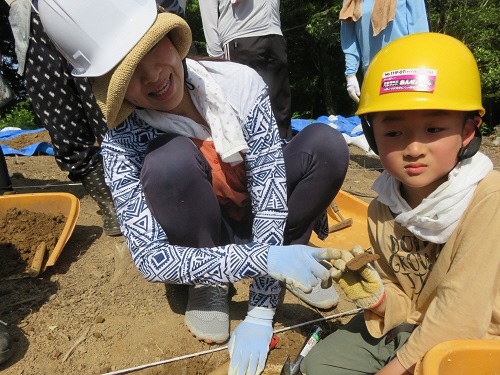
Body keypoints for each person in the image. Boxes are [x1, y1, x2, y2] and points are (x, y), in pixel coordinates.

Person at [38, 1, 350, 374]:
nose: (152, 75)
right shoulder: (121, 143)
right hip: (206, 233)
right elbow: (151, 259)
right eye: (127, 74)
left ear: (172, 37)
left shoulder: (239, 84)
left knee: (326, 145)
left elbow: (270, 194)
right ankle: (209, 280)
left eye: (153, 49)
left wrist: (262, 309)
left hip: (263, 220)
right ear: (113, 91)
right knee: (168, 162)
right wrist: (264, 259)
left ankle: (294, 254)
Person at [301, 32, 500, 374]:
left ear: (468, 131)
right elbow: (402, 292)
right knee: (319, 366)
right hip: (413, 325)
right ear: (372, 135)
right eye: (393, 133)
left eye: (434, 129)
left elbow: (461, 313)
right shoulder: (383, 207)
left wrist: (395, 369)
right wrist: (377, 297)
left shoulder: (488, 199)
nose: (413, 148)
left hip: (477, 338)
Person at [5, 0, 121, 235]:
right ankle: (109, 203)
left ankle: (137, 191)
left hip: (81, 14)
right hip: (31, 21)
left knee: (108, 109)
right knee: (63, 127)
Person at [199, 0, 293, 140]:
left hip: (274, 36)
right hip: (239, 37)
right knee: (245, 114)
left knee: (281, 111)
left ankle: (286, 156)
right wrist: (216, 57)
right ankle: (246, 161)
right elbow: (208, 8)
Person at [340, 0, 429, 102]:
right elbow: (349, 41)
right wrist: (350, 75)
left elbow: (420, 31)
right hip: (373, 76)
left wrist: (422, 71)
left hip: (406, 73)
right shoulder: (351, 1)